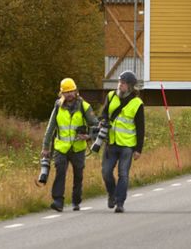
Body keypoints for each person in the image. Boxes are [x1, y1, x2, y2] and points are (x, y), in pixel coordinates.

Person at [41, 77, 99, 212]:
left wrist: (88, 136)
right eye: (66, 92)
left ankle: (76, 200)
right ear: (62, 94)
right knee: (60, 173)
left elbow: (96, 125)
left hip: (78, 148)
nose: (69, 95)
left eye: (71, 91)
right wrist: (45, 147)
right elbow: (50, 128)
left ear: (76, 92)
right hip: (61, 148)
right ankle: (58, 201)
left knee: (78, 175)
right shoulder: (58, 106)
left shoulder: (84, 106)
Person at [101, 70, 145, 213]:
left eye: (123, 83)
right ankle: (112, 194)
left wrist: (138, 149)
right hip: (111, 143)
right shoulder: (110, 96)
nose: (120, 85)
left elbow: (140, 128)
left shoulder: (137, 103)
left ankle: (120, 202)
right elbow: (104, 115)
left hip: (127, 145)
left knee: (123, 174)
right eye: (119, 82)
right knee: (106, 172)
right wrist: (103, 122)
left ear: (131, 86)